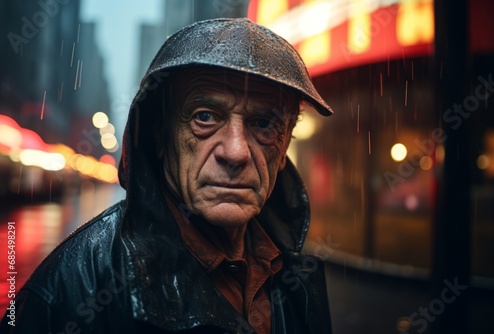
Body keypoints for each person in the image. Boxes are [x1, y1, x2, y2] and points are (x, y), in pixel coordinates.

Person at [1, 18, 334, 333]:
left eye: (263, 124)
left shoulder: (296, 277)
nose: (235, 152)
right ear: (161, 136)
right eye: (205, 117)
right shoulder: (75, 283)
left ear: (284, 145)